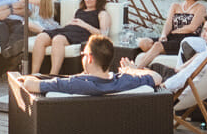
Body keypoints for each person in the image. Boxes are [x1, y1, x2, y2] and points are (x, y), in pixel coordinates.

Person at [19, 35, 156, 95]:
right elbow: (157, 77)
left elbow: (30, 85)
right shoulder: (126, 81)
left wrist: (27, 78)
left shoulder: (73, 84)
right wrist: (133, 71)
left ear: (89, 58)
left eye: (83, 54)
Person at [30, 0, 110, 75]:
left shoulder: (102, 13)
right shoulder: (80, 11)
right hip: (68, 30)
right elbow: (72, 24)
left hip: (82, 34)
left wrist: (84, 25)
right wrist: (69, 24)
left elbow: (103, 34)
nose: (87, 0)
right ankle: (34, 74)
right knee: (41, 37)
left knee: (58, 39)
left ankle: (52, 75)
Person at [134, 0, 206, 68]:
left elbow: (192, 27)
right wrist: (164, 35)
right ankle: (153, 56)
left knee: (157, 45)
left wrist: (173, 32)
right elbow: (168, 23)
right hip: (172, 37)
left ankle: (137, 68)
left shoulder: (200, 8)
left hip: (186, 40)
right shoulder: (175, 6)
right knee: (143, 42)